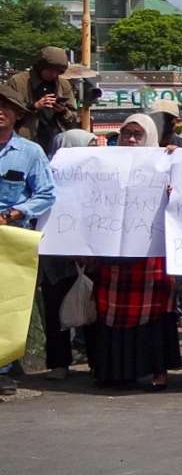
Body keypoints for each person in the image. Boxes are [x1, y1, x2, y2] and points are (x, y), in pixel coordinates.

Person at [91, 114, 182, 391]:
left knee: (154, 314)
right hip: (115, 254)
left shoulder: (167, 163)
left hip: (151, 254)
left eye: (137, 134)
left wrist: (175, 168)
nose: (130, 139)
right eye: (126, 133)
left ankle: (156, 370)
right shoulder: (106, 164)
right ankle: (115, 371)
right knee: (112, 312)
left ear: (150, 137)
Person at [0, 83, 57, 395]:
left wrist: (13, 213)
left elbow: (46, 194)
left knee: (7, 304)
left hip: (12, 239)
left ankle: (4, 368)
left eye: (6, 107)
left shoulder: (30, 152)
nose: (0, 112)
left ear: (17, 115)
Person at [38, 129, 97, 382]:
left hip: (89, 257)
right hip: (56, 258)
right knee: (56, 311)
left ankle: (97, 361)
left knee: (92, 311)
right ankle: (59, 363)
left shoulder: (98, 178)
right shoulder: (47, 177)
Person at [4, 46, 79, 156]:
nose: (53, 74)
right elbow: (7, 112)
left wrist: (62, 111)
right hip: (24, 140)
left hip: (55, 140)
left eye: (57, 71)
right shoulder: (18, 81)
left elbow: (73, 117)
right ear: (40, 67)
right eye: (50, 70)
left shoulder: (63, 85)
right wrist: (34, 106)